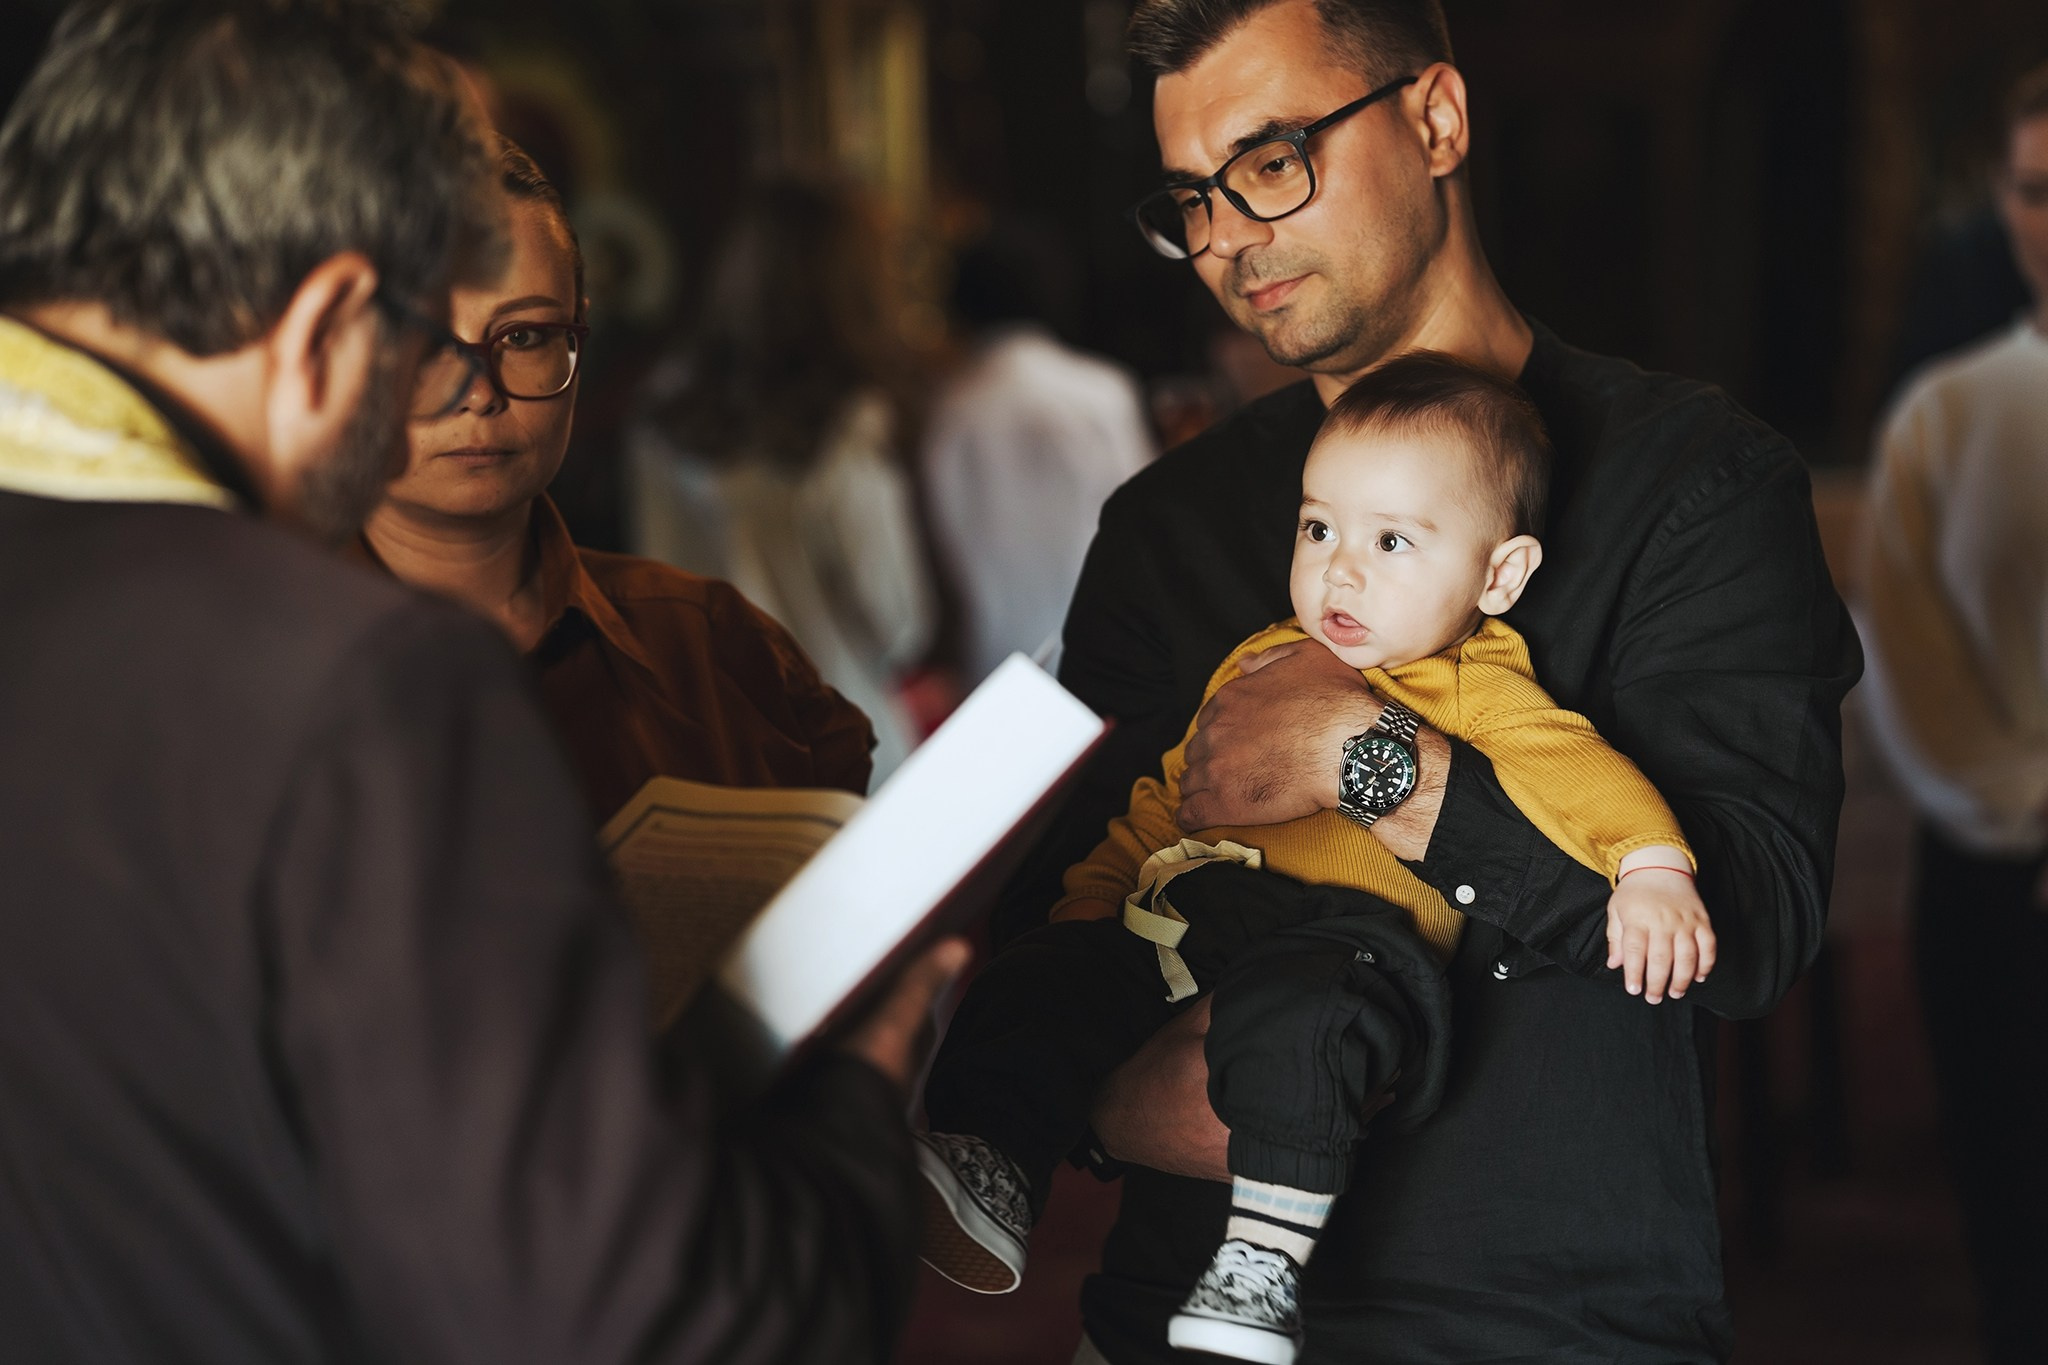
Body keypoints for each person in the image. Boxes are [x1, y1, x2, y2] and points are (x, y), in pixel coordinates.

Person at [0, 4, 961, 1362]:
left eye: (525, 338)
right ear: (337, 317)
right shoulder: (349, 680)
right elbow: (650, 1323)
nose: (463, 394)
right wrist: (858, 1098)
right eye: (418, 331)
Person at [990, 2, 1861, 1361]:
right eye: (1190, 199)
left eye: (1272, 162)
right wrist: (1084, 1094)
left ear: (1438, 119)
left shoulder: (1695, 484)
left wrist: (1368, 760)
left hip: (1539, 1311)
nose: (1226, 236)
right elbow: (1046, 926)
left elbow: (1743, 930)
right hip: (1182, 1308)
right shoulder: (1173, 526)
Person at [916, 357, 1713, 1364]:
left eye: (1389, 541)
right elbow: (1168, 797)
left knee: (1302, 1030)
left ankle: (1260, 1259)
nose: (1340, 569)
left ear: (1497, 575)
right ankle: (989, 1162)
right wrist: (1093, 907)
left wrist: (1649, 867)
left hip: (1339, 940)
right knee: (1042, 972)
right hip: (1193, 919)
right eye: (1316, 528)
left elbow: (1579, 773)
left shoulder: (1470, 680)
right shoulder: (1261, 657)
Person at [362, 140, 874, 823]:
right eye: (428, 344)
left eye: (523, 338)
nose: (478, 394)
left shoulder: (717, 649)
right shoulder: (251, 665)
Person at [1856, 61, 2048, 1365]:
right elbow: (1909, 660)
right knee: (2020, 1234)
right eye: (2039, 192)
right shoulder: (1948, 411)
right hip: (2002, 867)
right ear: (2001, 198)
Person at [628, 177, 938, 784]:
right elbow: (899, 621)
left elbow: (654, 598)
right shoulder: (847, 425)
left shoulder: (664, 414)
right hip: (849, 755)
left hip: (716, 758)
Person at [921, 227, 1155, 683]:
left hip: (992, 665)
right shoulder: (1102, 391)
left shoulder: (948, 410)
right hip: (1107, 653)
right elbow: (1144, 530)